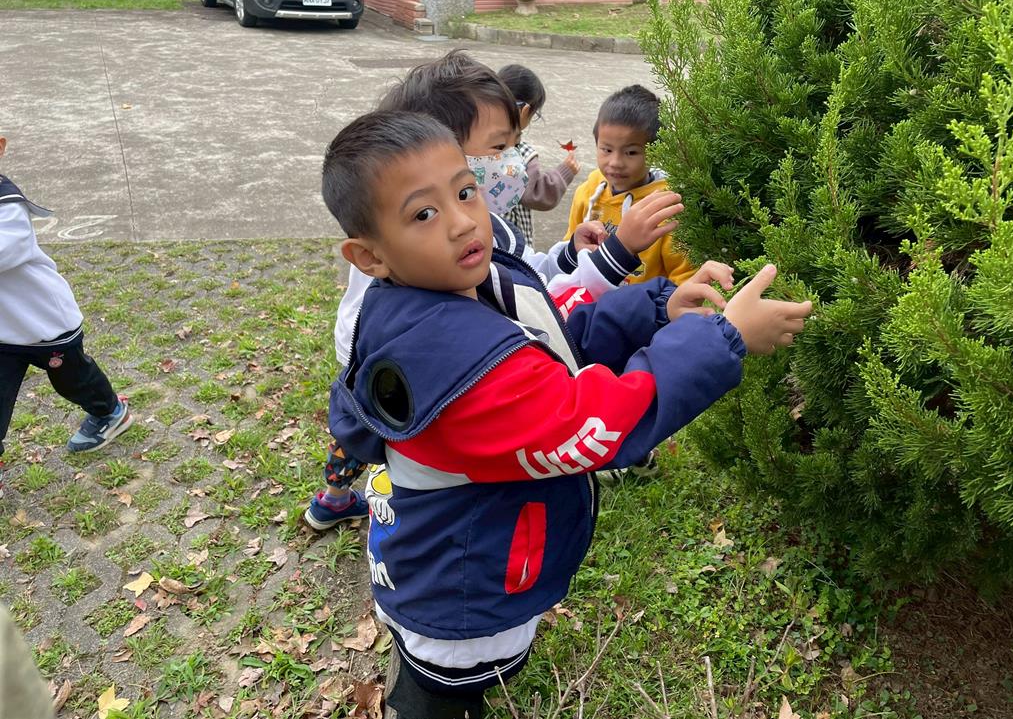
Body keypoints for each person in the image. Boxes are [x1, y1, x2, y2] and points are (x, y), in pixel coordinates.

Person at [322, 109, 812, 718]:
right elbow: (591, 419)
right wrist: (724, 337)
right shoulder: (446, 358)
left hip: (461, 560)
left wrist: (657, 311)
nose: (462, 221)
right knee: (442, 694)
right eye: (423, 214)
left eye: (465, 192)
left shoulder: (465, 285)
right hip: (460, 593)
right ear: (368, 256)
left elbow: (552, 343)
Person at [304, 52, 682, 530]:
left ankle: (342, 494)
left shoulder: (457, 231)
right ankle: (375, 494)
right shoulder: (441, 270)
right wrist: (619, 252)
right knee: (392, 436)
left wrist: (571, 253)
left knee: (372, 433)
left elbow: (525, 276)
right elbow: (534, 302)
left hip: (383, 369)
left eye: (514, 145)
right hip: (397, 375)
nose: (512, 163)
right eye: (500, 147)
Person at [0, 135, 132, 498]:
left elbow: (8, 250)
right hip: (2, 333)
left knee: (73, 380)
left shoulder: (7, 203)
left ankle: (109, 412)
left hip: (44, 324)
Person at [565, 84, 695, 287]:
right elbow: (569, 248)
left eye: (631, 152)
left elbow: (684, 277)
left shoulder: (666, 210)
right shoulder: (587, 193)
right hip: (584, 301)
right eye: (607, 150)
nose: (615, 162)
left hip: (641, 306)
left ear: (656, 152)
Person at [496, 63, 581, 245]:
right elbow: (536, 194)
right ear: (525, 111)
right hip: (511, 245)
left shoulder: (475, 143)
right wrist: (564, 172)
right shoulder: (522, 154)